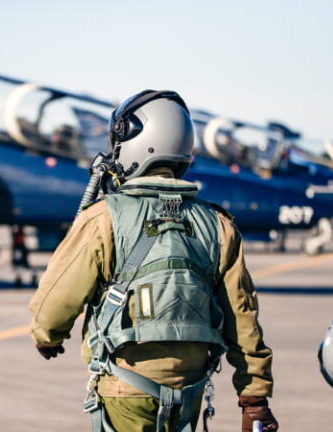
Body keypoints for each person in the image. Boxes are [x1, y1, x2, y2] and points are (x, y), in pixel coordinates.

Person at [28, 90, 277, 432]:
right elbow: (242, 316)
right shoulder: (218, 224)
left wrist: (47, 336)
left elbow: (55, 299)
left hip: (124, 388)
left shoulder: (103, 218)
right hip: (191, 389)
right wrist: (255, 399)